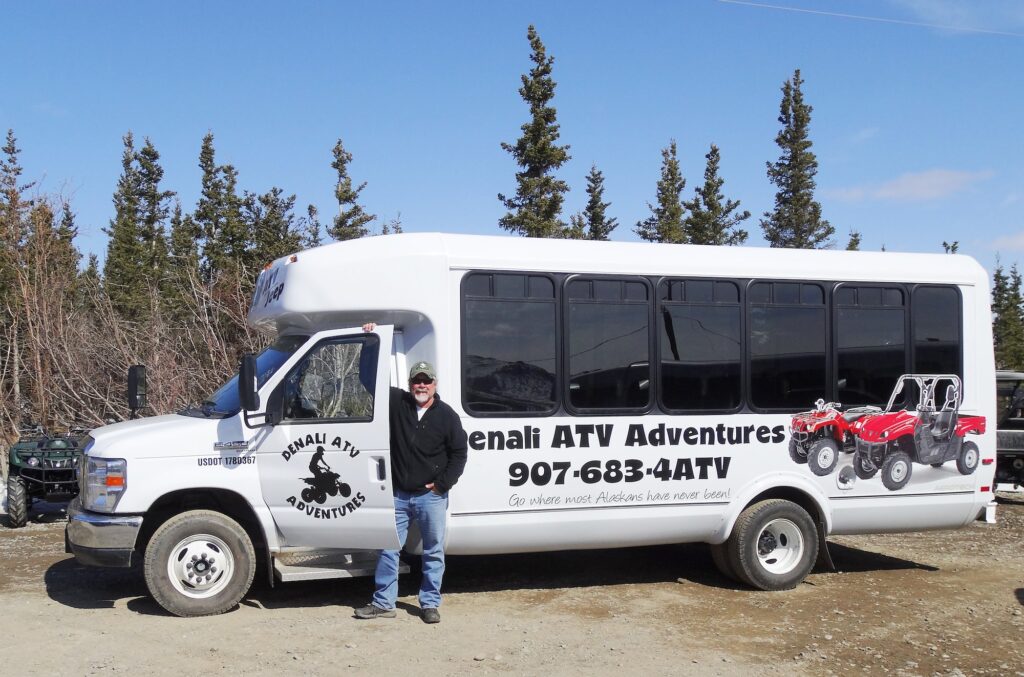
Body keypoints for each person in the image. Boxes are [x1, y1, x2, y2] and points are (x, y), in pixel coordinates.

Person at [354, 323, 468, 624]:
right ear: (409, 383)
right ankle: (384, 603)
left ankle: (430, 604)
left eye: (426, 381)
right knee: (388, 549)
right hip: (398, 495)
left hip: (430, 497)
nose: (421, 386)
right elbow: (367, 379)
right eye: (417, 381)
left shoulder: (447, 416)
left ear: (435, 384)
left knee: (433, 552)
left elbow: (459, 453)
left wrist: (441, 485)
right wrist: (370, 340)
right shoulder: (396, 402)